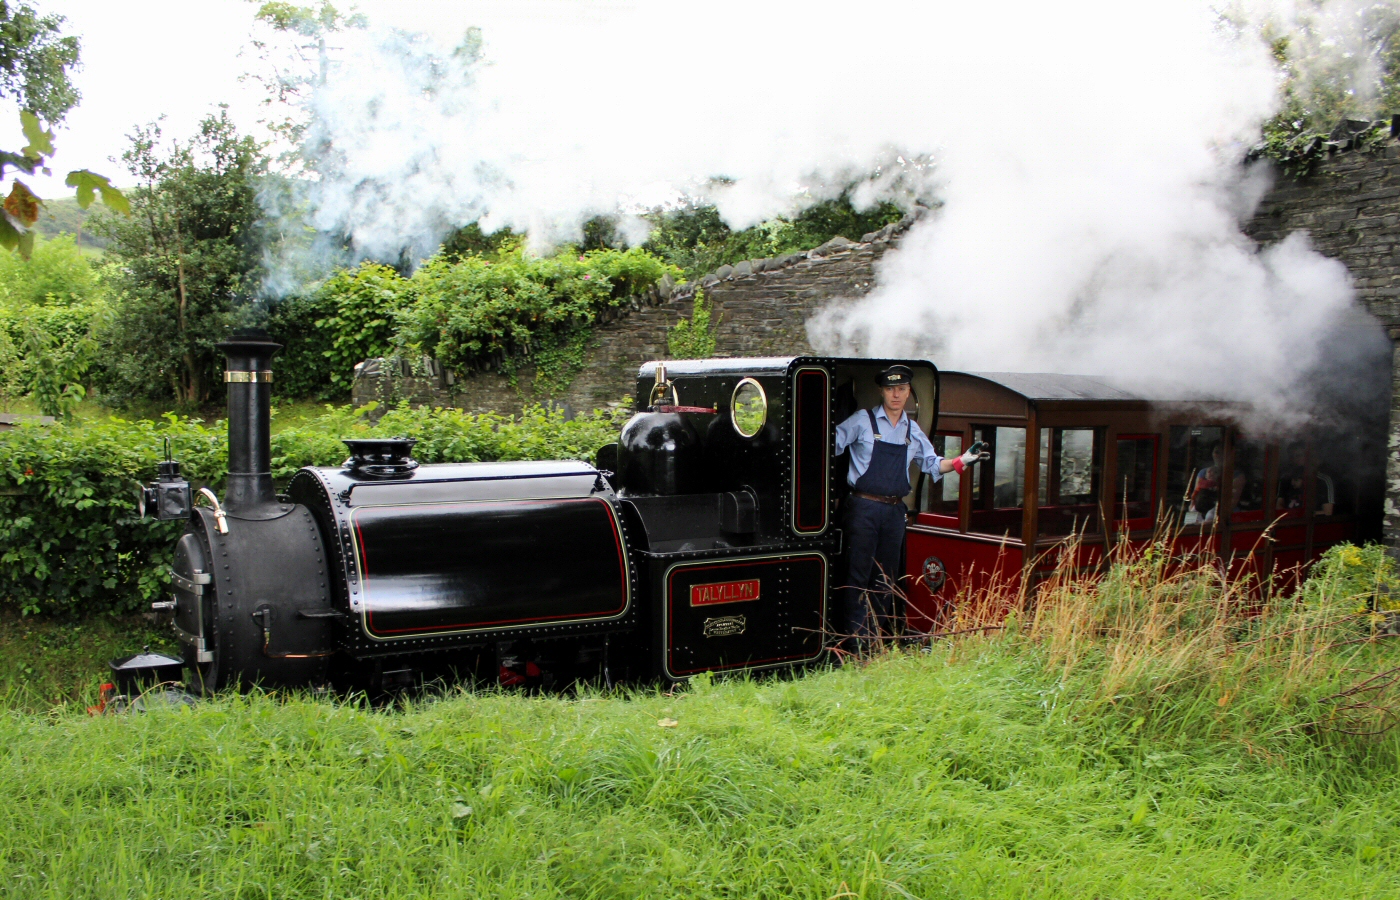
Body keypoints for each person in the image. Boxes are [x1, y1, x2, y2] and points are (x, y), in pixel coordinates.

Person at [834, 365, 985, 644]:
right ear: (882, 391)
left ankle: (876, 642)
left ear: (908, 394)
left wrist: (962, 460)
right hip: (863, 508)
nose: (896, 394)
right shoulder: (861, 420)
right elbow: (829, 444)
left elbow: (932, 464)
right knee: (857, 577)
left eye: (901, 389)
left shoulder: (912, 430)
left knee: (884, 579)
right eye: (891, 388)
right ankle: (855, 646)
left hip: (893, 511)